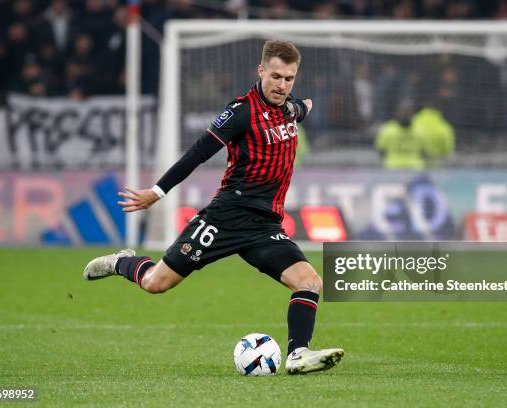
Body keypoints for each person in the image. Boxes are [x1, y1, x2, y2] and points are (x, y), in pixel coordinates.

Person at [83, 40, 344, 374]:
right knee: (156, 283)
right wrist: (157, 192)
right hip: (226, 217)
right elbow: (197, 152)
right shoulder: (240, 112)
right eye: (276, 76)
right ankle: (122, 262)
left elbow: (302, 106)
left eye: (289, 79)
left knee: (309, 282)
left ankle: (298, 355)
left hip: (265, 226)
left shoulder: (288, 108)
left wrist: (302, 106)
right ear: (261, 70)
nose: (282, 85)